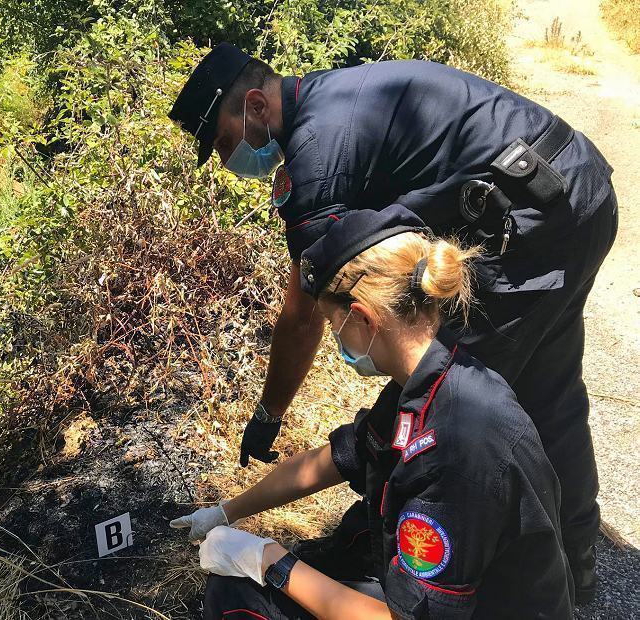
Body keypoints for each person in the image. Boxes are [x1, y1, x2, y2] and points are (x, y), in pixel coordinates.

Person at [167, 43, 618, 601]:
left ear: (256, 105)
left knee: (434, 407)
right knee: (550, 394)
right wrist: (230, 508)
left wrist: (268, 414)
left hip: (529, 221)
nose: (230, 158)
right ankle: (578, 570)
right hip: (577, 186)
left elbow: (305, 313)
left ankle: (406, 564)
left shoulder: (316, 159)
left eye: (225, 142)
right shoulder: (334, 95)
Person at [171, 205, 574, 619]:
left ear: (362, 318)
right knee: (346, 541)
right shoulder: (432, 379)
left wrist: (269, 561)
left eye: (334, 324)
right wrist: (227, 511)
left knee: (238, 599)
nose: (335, 339)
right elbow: (335, 460)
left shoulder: (457, 450)